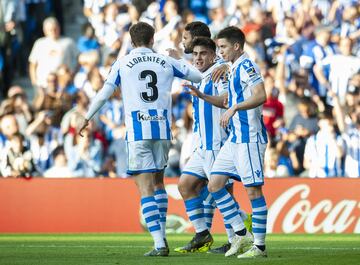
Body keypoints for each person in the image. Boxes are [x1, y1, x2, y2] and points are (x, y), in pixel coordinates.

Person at [79, 22, 202, 256]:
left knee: (144, 187)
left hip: (138, 131)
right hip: (163, 129)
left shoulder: (123, 62)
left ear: (132, 41)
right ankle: (162, 236)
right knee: (158, 183)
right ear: (152, 40)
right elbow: (197, 75)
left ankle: (159, 244)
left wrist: (87, 117)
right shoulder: (167, 61)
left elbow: (105, 92)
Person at [179, 21, 252, 255]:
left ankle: (238, 236)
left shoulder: (219, 70)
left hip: (217, 143)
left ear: (213, 55)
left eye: (203, 53)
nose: (197, 57)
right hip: (202, 145)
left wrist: (222, 66)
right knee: (186, 185)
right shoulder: (198, 73)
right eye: (195, 54)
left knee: (219, 192)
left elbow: (225, 98)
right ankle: (203, 233)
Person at [206, 26, 268, 258]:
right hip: (234, 139)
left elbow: (261, 95)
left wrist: (234, 107)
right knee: (215, 184)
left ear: (236, 46)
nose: (219, 51)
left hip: (249, 138)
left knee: (253, 192)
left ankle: (259, 247)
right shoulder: (233, 67)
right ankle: (241, 234)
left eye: (222, 47)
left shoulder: (248, 65)